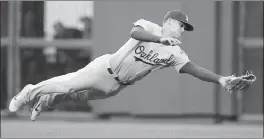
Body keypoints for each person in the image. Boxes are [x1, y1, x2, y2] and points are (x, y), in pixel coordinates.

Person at [9, 10, 233, 121]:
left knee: (73, 95)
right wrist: (159, 39)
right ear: (168, 22)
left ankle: (45, 100)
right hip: (104, 68)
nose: (182, 29)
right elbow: (134, 32)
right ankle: (29, 92)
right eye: (181, 25)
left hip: (115, 87)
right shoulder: (149, 27)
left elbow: (194, 69)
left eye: (185, 27)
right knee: (67, 85)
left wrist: (221, 79)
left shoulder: (176, 52)